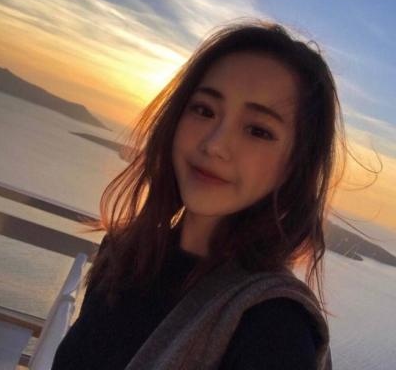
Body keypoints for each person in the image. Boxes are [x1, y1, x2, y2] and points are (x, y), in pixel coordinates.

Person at [52, 20, 342, 369]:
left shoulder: (274, 327)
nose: (214, 144)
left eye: (257, 131)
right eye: (204, 110)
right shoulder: (123, 256)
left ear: (295, 165)